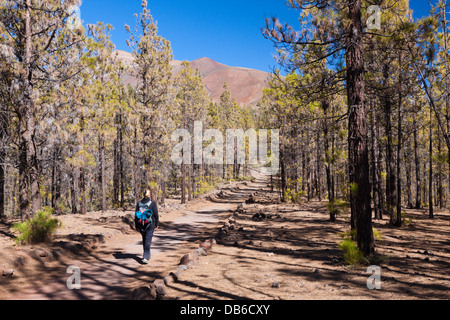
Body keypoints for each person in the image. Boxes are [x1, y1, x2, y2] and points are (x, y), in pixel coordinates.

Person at [135, 189, 159, 264]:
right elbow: (156, 214)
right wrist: (157, 224)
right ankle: (146, 257)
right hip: (150, 224)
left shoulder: (139, 204)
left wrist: (136, 226)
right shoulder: (152, 203)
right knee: (148, 240)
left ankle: (146, 254)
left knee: (145, 239)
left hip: (141, 224)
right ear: (149, 195)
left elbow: (136, 216)